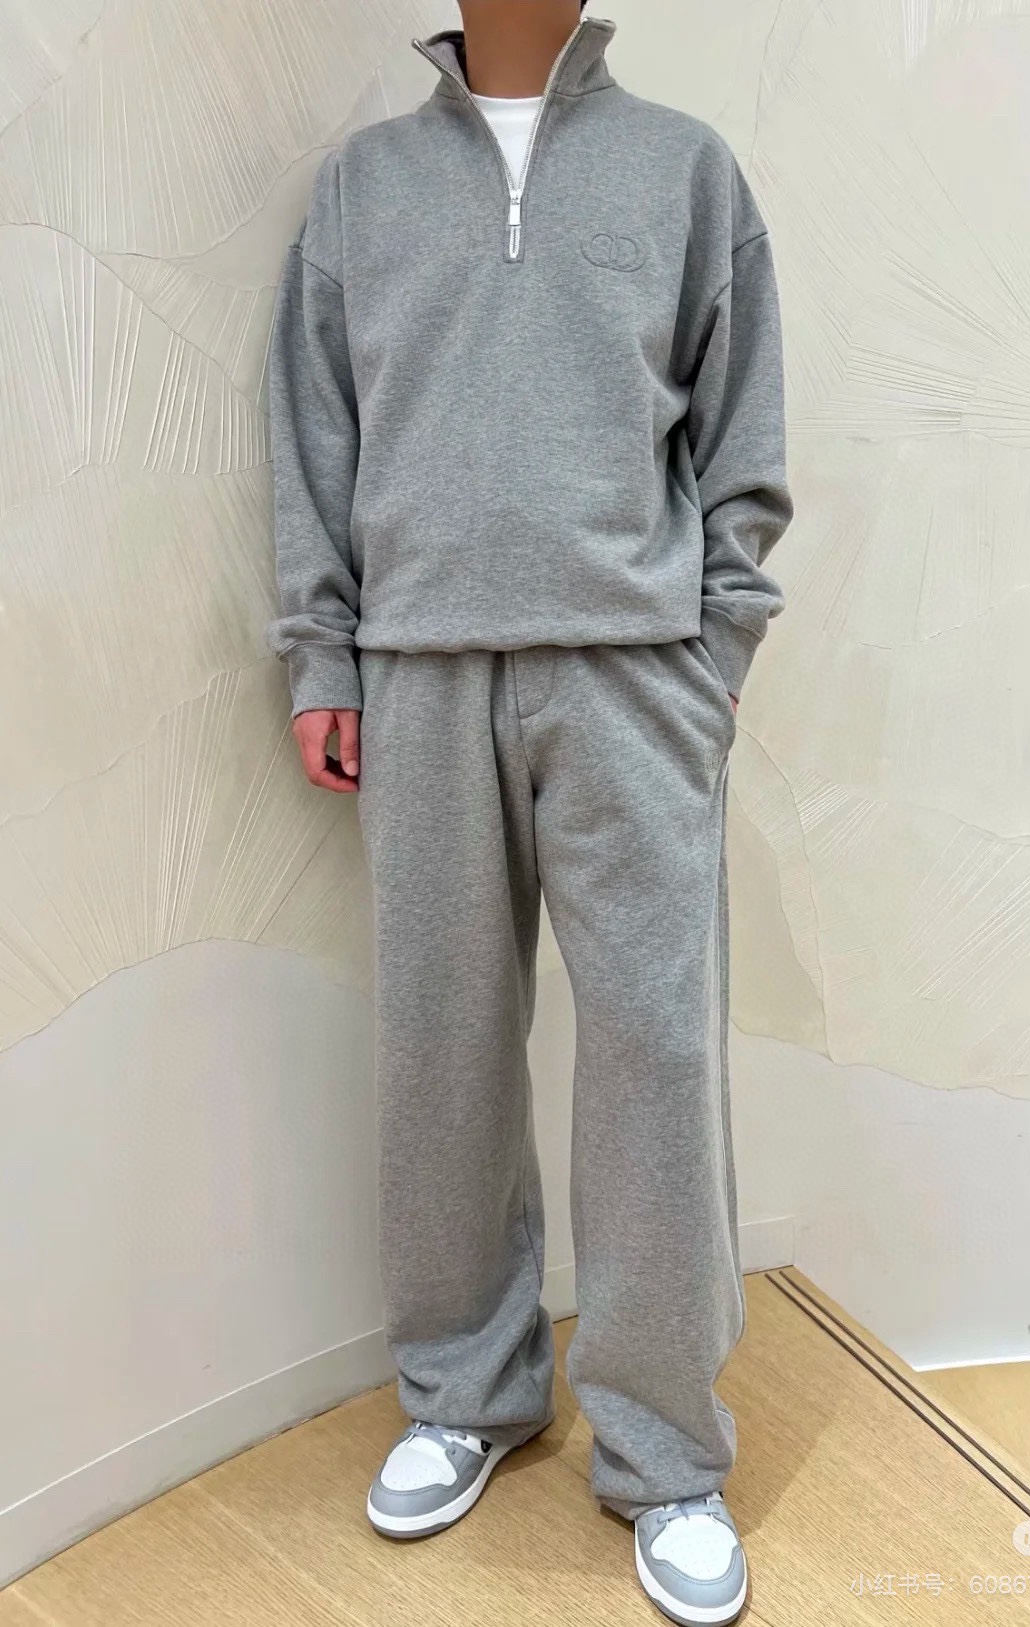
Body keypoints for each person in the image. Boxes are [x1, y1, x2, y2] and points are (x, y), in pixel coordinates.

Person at [266, 1, 792, 1620]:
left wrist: (712, 653)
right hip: (419, 673)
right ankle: (466, 1394)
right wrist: (322, 653)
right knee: (442, 1053)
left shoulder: (685, 170)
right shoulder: (361, 187)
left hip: (631, 677)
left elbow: (745, 436)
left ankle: (666, 1452)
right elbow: (313, 435)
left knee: (655, 1061)